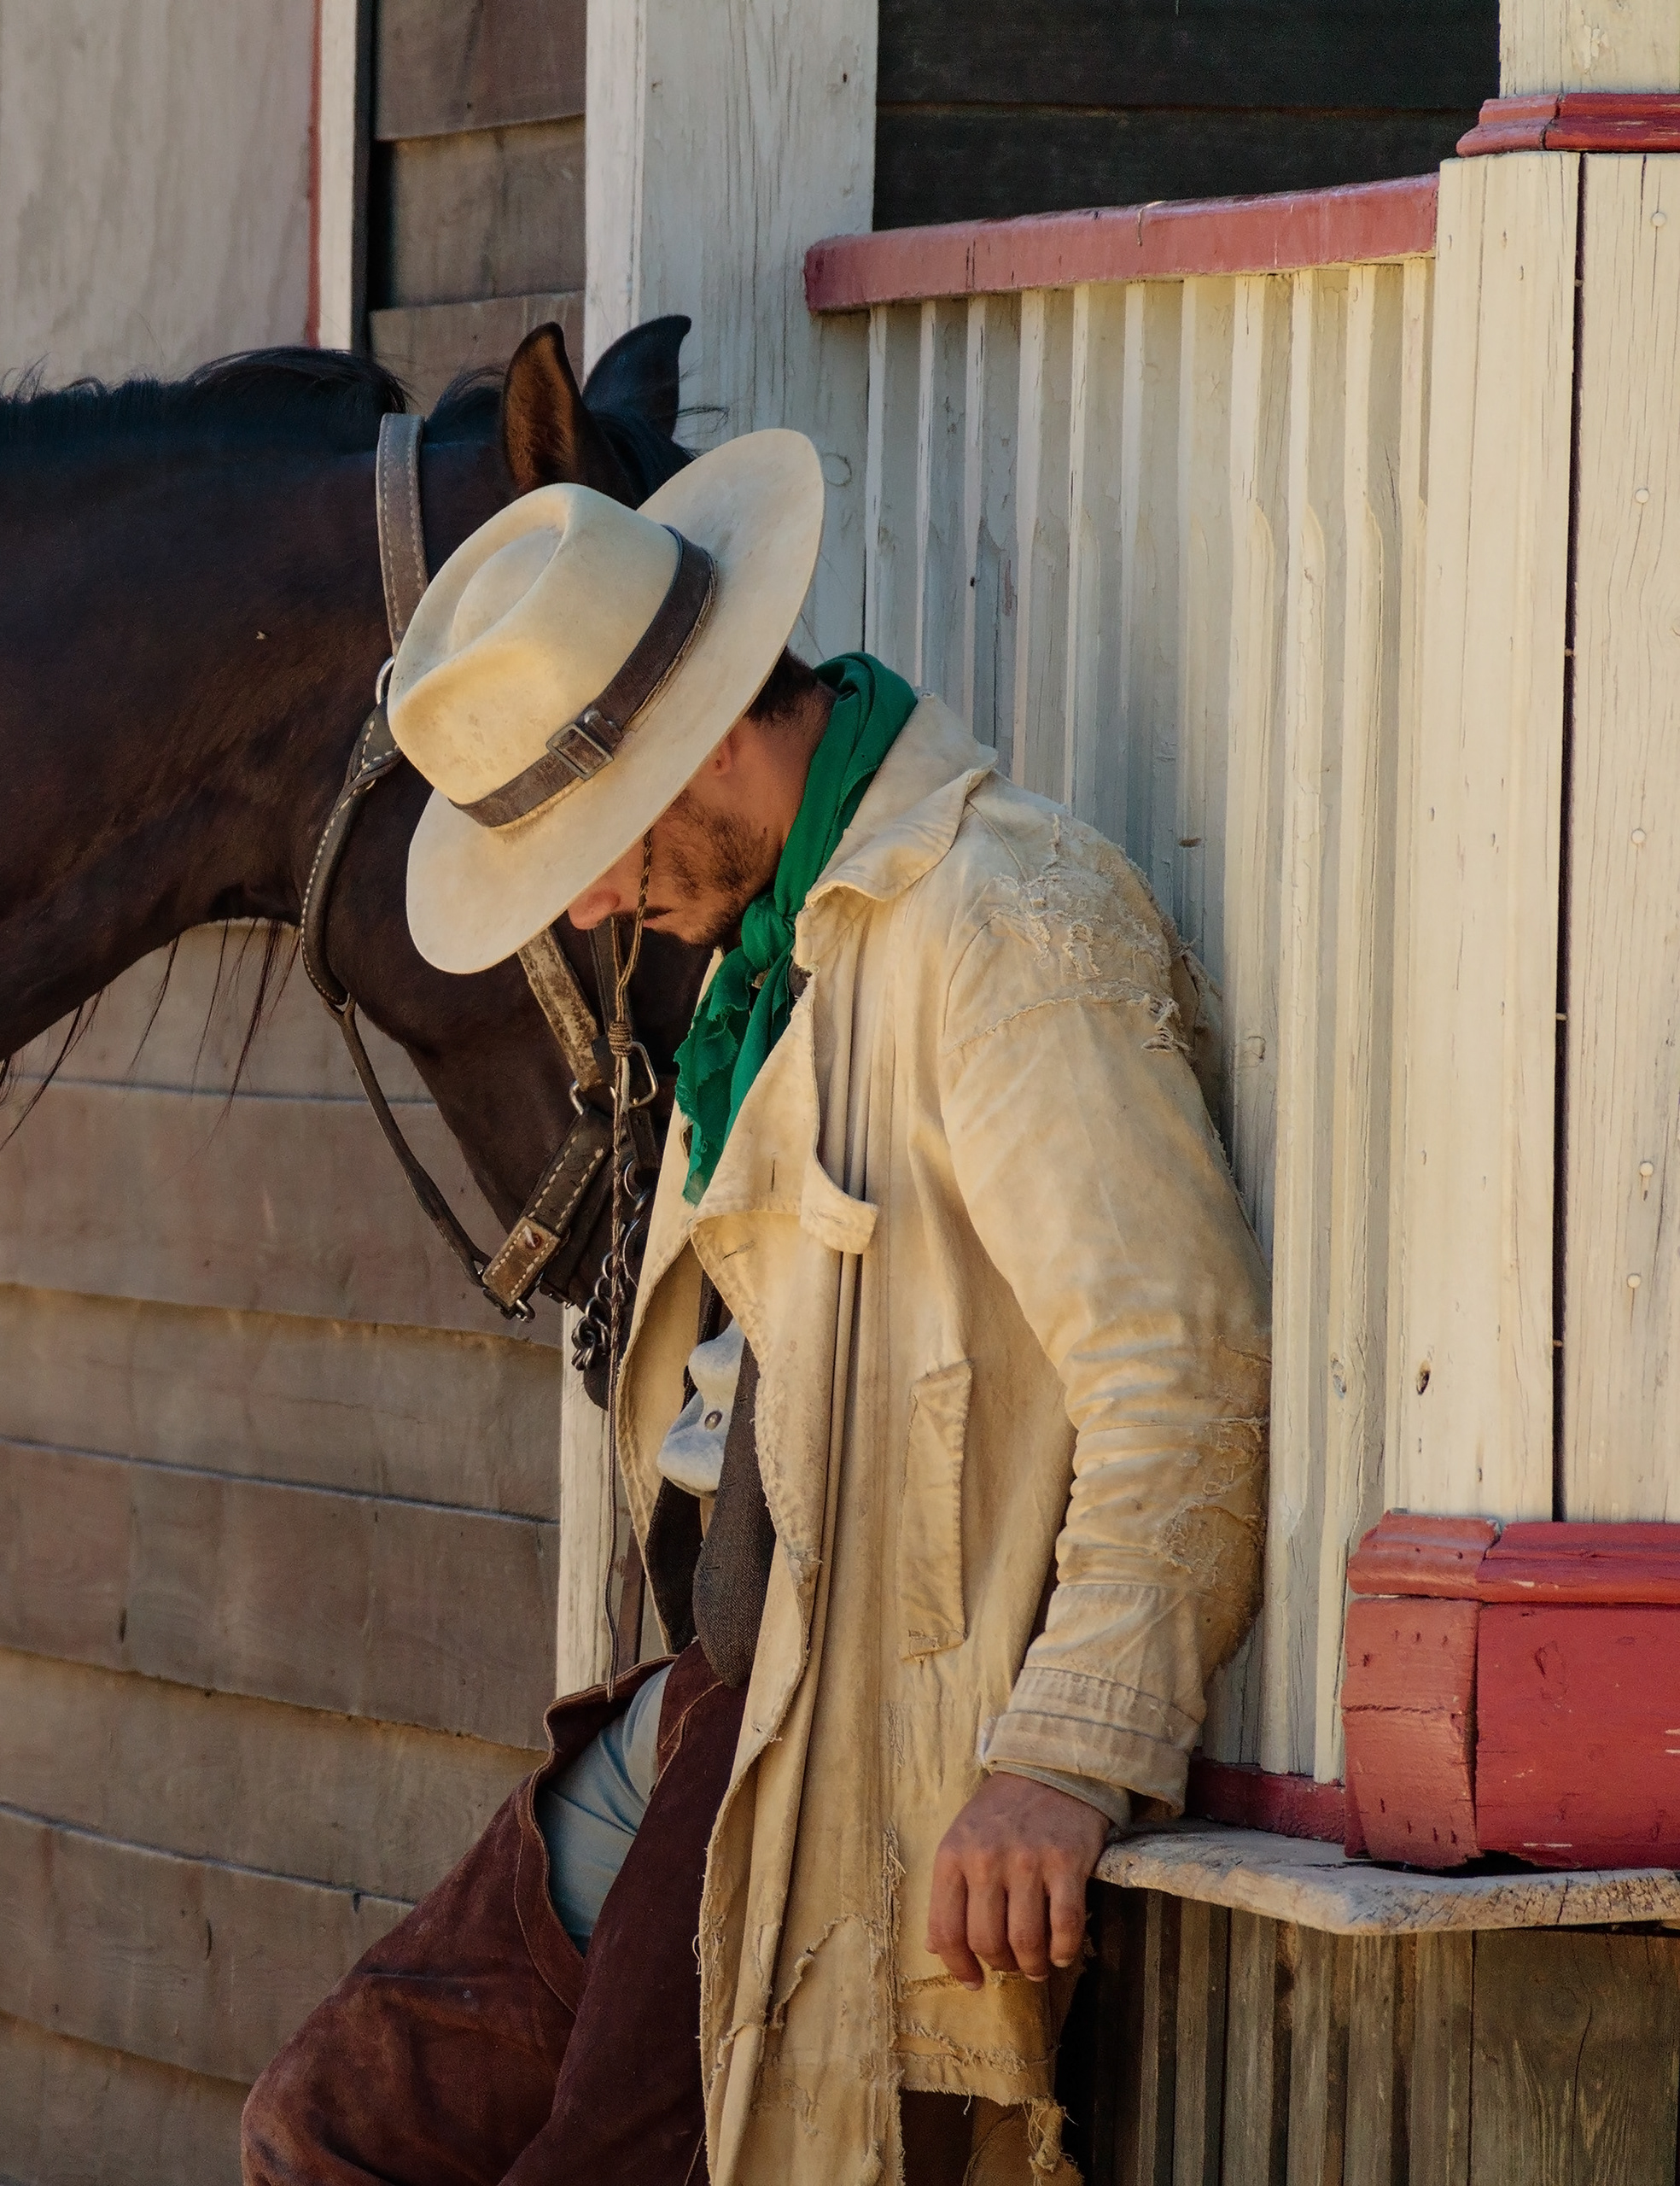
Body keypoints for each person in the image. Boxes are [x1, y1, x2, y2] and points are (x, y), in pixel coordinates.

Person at [242, 432, 1269, 2185]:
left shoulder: (999, 930)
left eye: (597, 838)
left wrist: (1069, 1751)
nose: (588, 901)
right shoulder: (764, 963)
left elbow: (1183, 1370)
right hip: (712, 1711)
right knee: (330, 2123)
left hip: (849, 1755)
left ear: (714, 726)